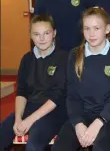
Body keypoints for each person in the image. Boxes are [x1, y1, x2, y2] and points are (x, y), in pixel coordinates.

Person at [52, 7, 110, 151]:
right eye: (87, 28)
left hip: (109, 117)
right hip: (82, 114)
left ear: (107, 29)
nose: (91, 34)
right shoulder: (74, 56)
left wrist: (98, 122)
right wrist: (78, 124)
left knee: (100, 148)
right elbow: (72, 95)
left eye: (96, 28)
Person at [0, 15, 68, 151]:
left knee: (33, 145)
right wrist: (18, 118)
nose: (41, 38)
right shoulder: (27, 59)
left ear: (54, 33)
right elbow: (21, 91)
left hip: (54, 112)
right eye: (36, 34)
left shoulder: (64, 58)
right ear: (30, 35)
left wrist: (30, 120)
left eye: (46, 33)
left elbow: (58, 96)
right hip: (29, 108)